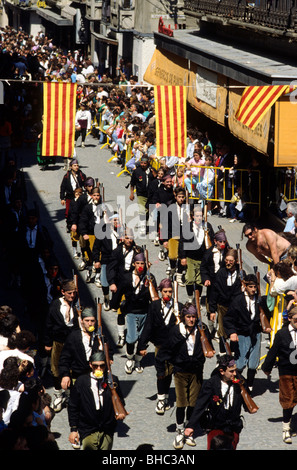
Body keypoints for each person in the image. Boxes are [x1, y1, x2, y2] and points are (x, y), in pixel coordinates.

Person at [155, 303, 214, 449]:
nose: (191, 320)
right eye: (188, 317)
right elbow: (164, 352)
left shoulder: (202, 329)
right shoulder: (176, 331)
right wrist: (161, 371)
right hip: (180, 372)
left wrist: (209, 352)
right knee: (181, 403)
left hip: (196, 371)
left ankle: (190, 429)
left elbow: (209, 346)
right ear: (183, 317)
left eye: (194, 317)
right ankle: (180, 430)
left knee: (193, 403)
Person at [138, 278, 183, 415]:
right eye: (165, 291)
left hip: (174, 346)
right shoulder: (154, 306)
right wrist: (142, 345)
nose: (168, 294)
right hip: (160, 345)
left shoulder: (178, 307)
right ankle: (161, 398)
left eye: (170, 292)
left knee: (169, 372)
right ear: (160, 291)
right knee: (161, 373)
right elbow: (148, 326)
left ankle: (166, 395)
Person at [184, 355, 245, 450]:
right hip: (216, 427)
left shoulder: (239, 382)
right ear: (222, 371)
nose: (235, 373)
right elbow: (200, 405)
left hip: (233, 427)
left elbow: (246, 398)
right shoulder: (212, 384)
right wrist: (191, 426)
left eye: (235, 370)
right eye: (231, 371)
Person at [67, 351, 126, 450]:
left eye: (102, 366)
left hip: (107, 428)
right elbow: (73, 406)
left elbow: (120, 400)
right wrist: (73, 429)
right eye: (95, 366)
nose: (99, 369)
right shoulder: (81, 382)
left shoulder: (112, 380)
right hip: (88, 428)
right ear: (90, 365)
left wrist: (119, 412)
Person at [111, 251, 157, 375]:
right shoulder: (126, 278)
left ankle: (138, 360)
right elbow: (119, 291)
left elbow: (155, 296)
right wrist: (114, 305)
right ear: (133, 264)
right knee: (131, 338)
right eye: (138, 263)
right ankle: (130, 359)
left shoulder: (150, 277)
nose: (140, 265)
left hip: (145, 312)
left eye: (142, 263)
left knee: (143, 339)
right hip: (131, 311)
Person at [223, 274, 271, 392]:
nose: (253, 289)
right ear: (245, 286)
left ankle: (249, 385)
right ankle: (238, 383)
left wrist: (267, 326)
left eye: (255, 287)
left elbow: (268, 309)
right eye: (250, 287)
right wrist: (232, 332)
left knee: (254, 363)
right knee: (239, 364)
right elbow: (228, 319)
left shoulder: (259, 300)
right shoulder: (238, 300)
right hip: (241, 334)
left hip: (255, 334)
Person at [262, 306, 297, 443]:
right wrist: (267, 367)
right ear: (290, 319)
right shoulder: (282, 334)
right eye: (296, 320)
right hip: (286, 372)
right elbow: (273, 351)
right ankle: (286, 429)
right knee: (288, 400)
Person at [43, 279, 80, 413]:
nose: (72, 296)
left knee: (72, 368)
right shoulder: (55, 305)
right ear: (63, 292)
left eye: (74, 293)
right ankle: (58, 394)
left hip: (72, 343)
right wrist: (47, 343)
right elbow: (48, 325)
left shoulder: (77, 305)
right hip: (58, 342)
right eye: (69, 293)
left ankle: (71, 394)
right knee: (56, 368)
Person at [208, 248, 243, 355]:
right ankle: (223, 354)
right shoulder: (221, 273)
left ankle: (233, 353)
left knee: (234, 331)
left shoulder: (240, 274)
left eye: (231, 261)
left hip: (236, 308)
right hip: (222, 307)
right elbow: (214, 292)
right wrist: (212, 310)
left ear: (236, 261)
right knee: (222, 332)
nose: (228, 263)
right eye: (226, 260)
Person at [179, 204, 214, 303]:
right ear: (193, 216)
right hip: (190, 257)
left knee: (199, 280)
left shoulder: (208, 226)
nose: (199, 218)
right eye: (197, 216)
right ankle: (190, 298)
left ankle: (197, 298)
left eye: (200, 216)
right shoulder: (188, 227)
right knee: (189, 279)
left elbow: (211, 241)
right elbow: (182, 242)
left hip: (203, 259)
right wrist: (183, 257)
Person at [129, 155, 155, 236]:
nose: (143, 164)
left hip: (150, 195)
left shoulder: (152, 171)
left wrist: (154, 174)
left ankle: (145, 223)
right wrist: (132, 193)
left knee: (148, 211)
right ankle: (143, 229)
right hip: (141, 194)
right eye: (142, 163)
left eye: (145, 163)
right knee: (142, 211)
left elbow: (156, 180)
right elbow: (132, 183)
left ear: (148, 163)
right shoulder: (137, 171)